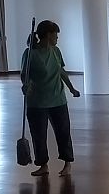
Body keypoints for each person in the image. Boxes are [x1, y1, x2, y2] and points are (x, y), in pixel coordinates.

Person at [20, 20, 80, 177]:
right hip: (37, 101)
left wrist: (71, 88)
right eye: (55, 35)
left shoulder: (56, 51)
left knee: (63, 133)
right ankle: (43, 165)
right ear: (48, 35)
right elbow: (25, 74)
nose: (57, 38)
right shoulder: (30, 53)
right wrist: (26, 85)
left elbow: (61, 71)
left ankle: (67, 164)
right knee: (39, 135)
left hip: (58, 99)